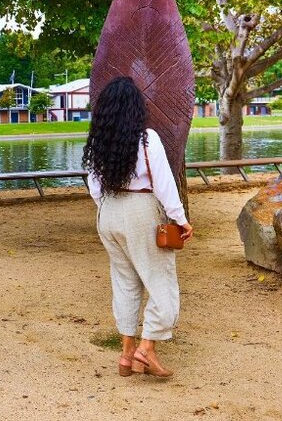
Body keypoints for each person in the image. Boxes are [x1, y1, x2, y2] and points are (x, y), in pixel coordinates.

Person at [82, 76, 193, 378]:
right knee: (161, 283)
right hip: (140, 212)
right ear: (135, 108)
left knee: (124, 283)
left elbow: (94, 186)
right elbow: (164, 184)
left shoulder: (98, 143)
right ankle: (147, 348)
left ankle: (127, 353)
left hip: (108, 212)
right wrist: (179, 218)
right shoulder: (147, 140)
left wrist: (109, 210)